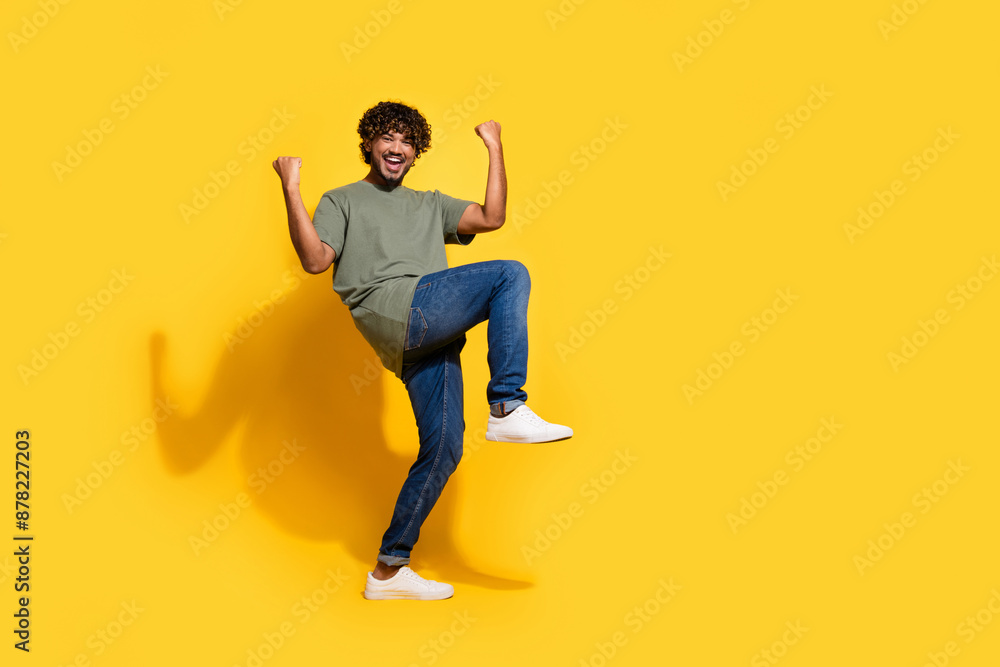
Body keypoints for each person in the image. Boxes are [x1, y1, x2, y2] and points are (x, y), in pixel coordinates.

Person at [273, 100, 572, 601]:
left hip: (424, 334)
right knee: (509, 273)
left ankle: (388, 571)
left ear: (416, 153)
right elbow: (313, 261)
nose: (396, 148)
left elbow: (491, 217)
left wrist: (495, 147)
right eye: (387, 138)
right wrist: (291, 188)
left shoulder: (429, 204)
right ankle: (506, 403)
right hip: (393, 308)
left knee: (443, 448)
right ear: (369, 144)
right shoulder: (342, 199)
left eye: (407, 142)